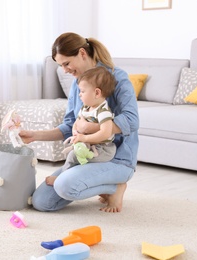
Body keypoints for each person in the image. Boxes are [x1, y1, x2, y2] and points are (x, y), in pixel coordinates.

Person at [19, 32, 139, 213]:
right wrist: (34, 136)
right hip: (88, 155)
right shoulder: (78, 85)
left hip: (116, 159)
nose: (65, 70)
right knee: (42, 202)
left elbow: (132, 120)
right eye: (61, 66)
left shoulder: (117, 78)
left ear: (82, 53)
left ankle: (115, 186)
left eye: (66, 64)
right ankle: (98, 181)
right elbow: (69, 125)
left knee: (65, 186)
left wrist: (91, 127)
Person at [46, 66, 117, 186]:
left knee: (73, 156)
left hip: (103, 149)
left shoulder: (103, 111)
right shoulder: (86, 107)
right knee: (72, 154)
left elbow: (106, 132)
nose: (79, 95)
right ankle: (69, 177)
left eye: (83, 91)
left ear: (97, 93)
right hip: (89, 145)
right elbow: (77, 122)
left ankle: (62, 179)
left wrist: (84, 138)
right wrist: (75, 131)